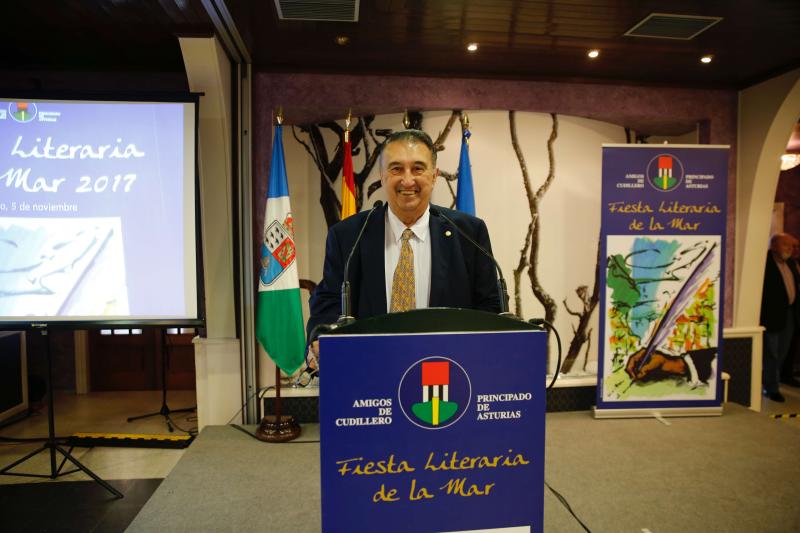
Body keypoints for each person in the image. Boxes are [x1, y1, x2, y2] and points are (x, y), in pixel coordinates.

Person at [305, 129, 501, 360]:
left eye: (418, 168)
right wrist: (322, 336)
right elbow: (329, 302)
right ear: (382, 175)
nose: (407, 180)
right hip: (370, 372)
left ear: (434, 175)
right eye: (396, 168)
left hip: (449, 373)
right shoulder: (348, 235)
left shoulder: (468, 233)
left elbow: (489, 307)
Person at [759, 233, 800, 402]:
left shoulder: (791, 264)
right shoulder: (764, 263)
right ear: (774, 246)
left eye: (792, 246)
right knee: (771, 353)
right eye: (786, 245)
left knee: (782, 351)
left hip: (789, 314)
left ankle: (774, 380)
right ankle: (771, 387)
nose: (789, 250)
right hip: (771, 316)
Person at [780, 234, 800, 387]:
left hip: (794, 311)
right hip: (781, 313)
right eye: (790, 246)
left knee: (790, 344)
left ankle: (787, 373)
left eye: (795, 247)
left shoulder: (792, 264)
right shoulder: (774, 264)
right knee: (777, 348)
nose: (793, 250)